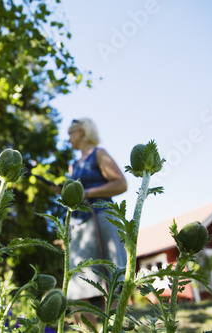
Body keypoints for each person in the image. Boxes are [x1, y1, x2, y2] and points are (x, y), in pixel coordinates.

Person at [55, 118, 127, 315]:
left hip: (101, 218)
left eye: (71, 133)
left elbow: (121, 184)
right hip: (78, 224)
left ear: (83, 132)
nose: (68, 138)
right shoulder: (73, 165)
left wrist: (87, 193)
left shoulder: (99, 154)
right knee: (79, 285)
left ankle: (113, 325)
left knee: (111, 279)